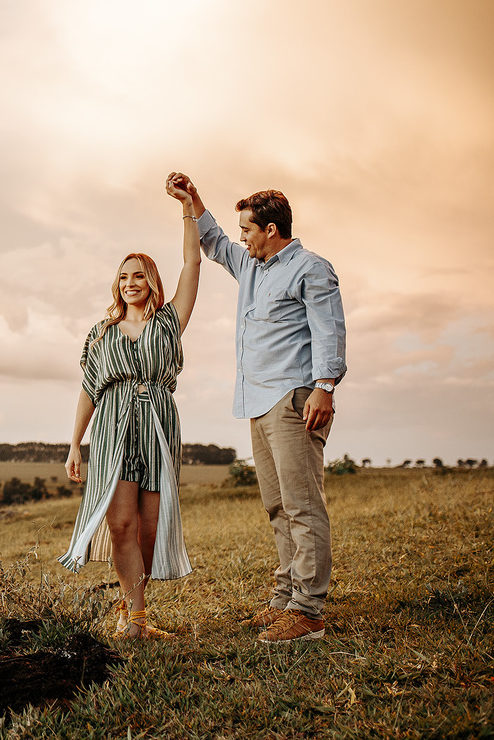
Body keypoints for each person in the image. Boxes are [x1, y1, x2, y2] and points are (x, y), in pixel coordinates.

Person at [170, 171, 346, 643]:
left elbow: (329, 329)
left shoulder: (311, 268)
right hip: (256, 402)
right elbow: (214, 241)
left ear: (271, 229)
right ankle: (285, 599)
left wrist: (325, 387)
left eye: (248, 229)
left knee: (302, 505)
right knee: (277, 507)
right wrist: (194, 199)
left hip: (294, 400)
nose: (241, 238)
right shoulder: (251, 267)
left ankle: (308, 612)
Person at [57, 174, 201, 639]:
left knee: (149, 529)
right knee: (120, 522)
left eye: (139, 275)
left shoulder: (168, 323)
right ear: (116, 285)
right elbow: (88, 390)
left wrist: (186, 207)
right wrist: (75, 444)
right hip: (115, 426)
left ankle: (131, 609)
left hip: (158, 424)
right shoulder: (100, 334)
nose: (130, 282)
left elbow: (191, 262)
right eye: (123, 276)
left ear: (153, 281)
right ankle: (136, 621)